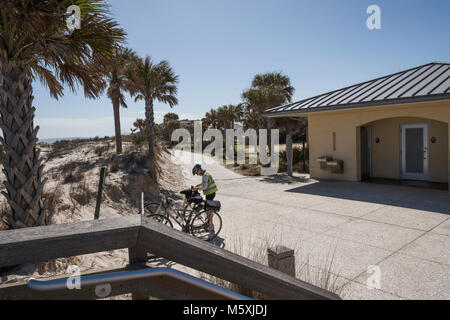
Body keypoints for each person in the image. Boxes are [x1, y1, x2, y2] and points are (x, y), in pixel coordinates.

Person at [192, 164, 217, 231]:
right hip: (210, 193)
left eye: (196, 173)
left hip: (210, 194)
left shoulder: (205, 175)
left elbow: (205, 186)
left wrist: (197, 188)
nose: (197, 174)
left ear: (199, 170)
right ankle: (209, 223)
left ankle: (211, 225)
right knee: (207, 209)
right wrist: (198, 185)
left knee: (209, 210)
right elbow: (204, 183)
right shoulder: (205, 174)